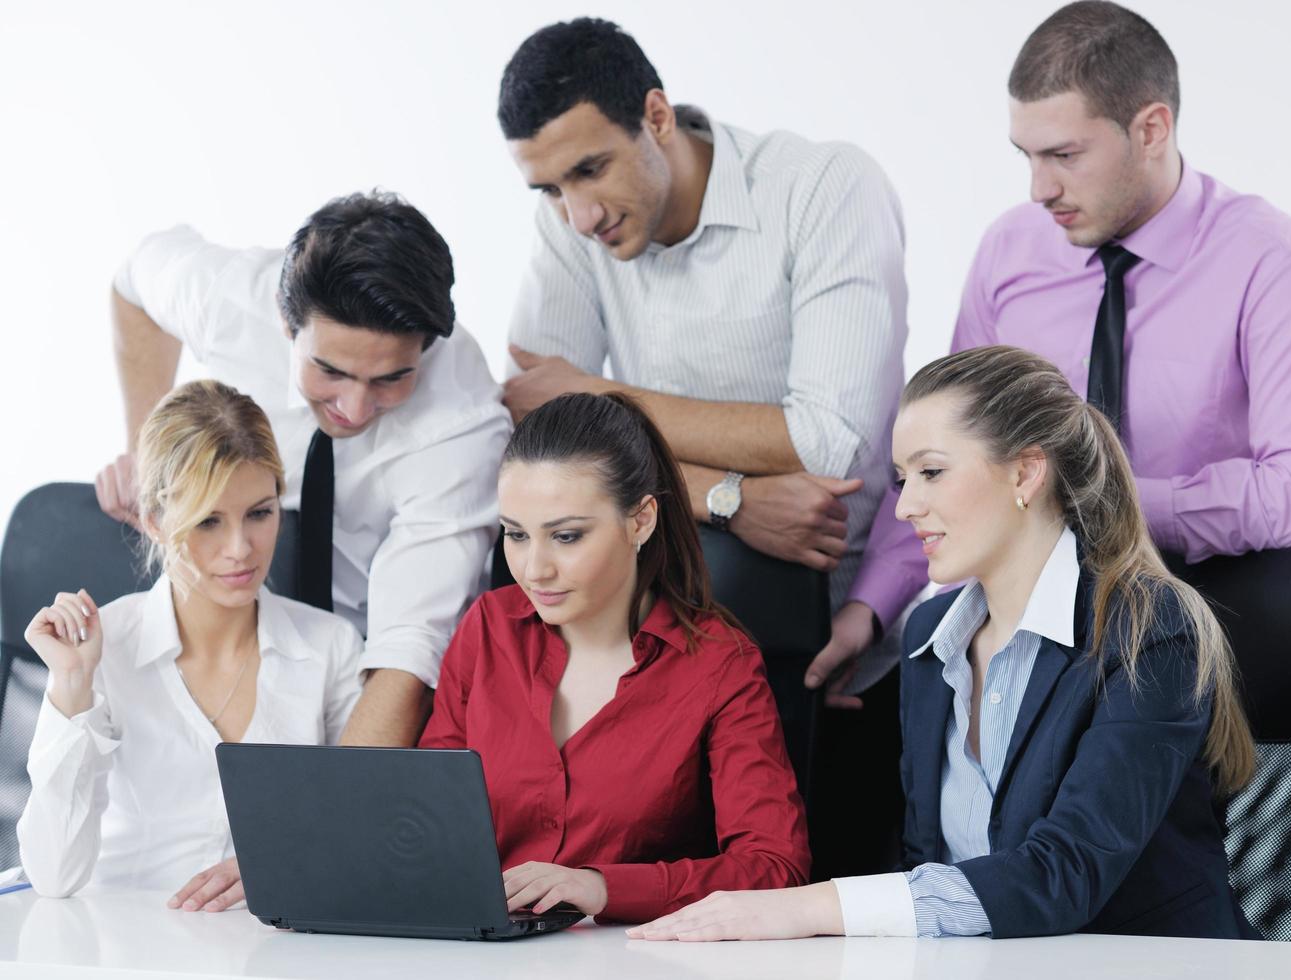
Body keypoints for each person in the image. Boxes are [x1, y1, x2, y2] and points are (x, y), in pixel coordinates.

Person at [809, 0, 1291, 705]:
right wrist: (870, 611)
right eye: (1027, 157)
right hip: (1030, 654)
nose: (1040, 189)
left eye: (1064, 156)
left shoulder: (1274, 263)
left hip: (1209, 644)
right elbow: (943, 452)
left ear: (1151, 129)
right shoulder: (1011, 250)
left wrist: (1104, 506)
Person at [627, 346, 1257, 941]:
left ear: (1026, 472)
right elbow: (931, 865)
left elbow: (1065, 873)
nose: (906, 508)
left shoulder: (1148, 627)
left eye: (931, 472)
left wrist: (803, 908)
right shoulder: (931, 640)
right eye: (902, 480)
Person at [497, 15, 908, 874]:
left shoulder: (824, 187)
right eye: (547, 190)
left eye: (589, 170)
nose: (577, 214)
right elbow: (543, 437)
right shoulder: (576, 226)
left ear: (655, 117)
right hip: (687, 579)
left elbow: (827, 444)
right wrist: (729, 496)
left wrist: (599, 394)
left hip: (829, 599)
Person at [96, 191, 510, 746]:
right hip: (249, 633)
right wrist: (147, 453)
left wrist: (326, 821)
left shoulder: (462, 422)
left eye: (391, 378)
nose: (355, 408)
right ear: (287, 326)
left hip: (374, 663)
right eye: (330, 370)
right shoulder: (232, 301)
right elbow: (134, 282)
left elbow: (407, 655)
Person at [418, 392, 810, 922]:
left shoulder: (720, 665)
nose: (534, 570)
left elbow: (775, 867)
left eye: (566, 536)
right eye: (515, 534)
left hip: (634, 961)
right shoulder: (487, 629)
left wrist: (604, 888)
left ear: (641, 521)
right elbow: (425, 818)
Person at [18, 381, 362, 909]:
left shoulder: (329, 649)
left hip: (271, 949)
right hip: (127, 942)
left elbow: (360, 838)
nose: (241, 549)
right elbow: (54, 874)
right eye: (208, 522)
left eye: (260, 513)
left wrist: (287, 862)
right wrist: (72, 685)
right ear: (155, 521)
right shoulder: (104, 649)